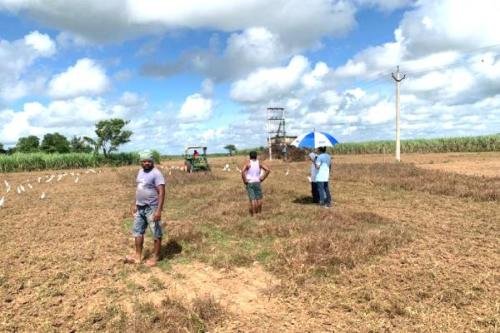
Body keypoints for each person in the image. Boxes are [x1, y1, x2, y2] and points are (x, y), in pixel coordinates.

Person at [125, 150, 166, 266]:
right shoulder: (140, 172)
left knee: (156, 232)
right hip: (140, 207)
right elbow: (139, 189)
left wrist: (158, 210)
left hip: (151, 208)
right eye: (144, 161)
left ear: (152, 161)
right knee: (137, 232)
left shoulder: (156, 173)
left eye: (149, 161)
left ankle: (156, 257)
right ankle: (138, 256)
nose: (146, 163)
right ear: (140, 162)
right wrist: (135, 204)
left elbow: (162, 192)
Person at [241, 151, 271, 216]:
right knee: (259, 198)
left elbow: (242, 171)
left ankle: (254, 214)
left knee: (253, 199)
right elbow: (268, 170)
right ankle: (259, 213)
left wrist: (245, 180)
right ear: (256, 156)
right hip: (257, 182)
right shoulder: (259, 163)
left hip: (250, 182)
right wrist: (262, 178)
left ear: (250, 156)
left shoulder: (248, 164)